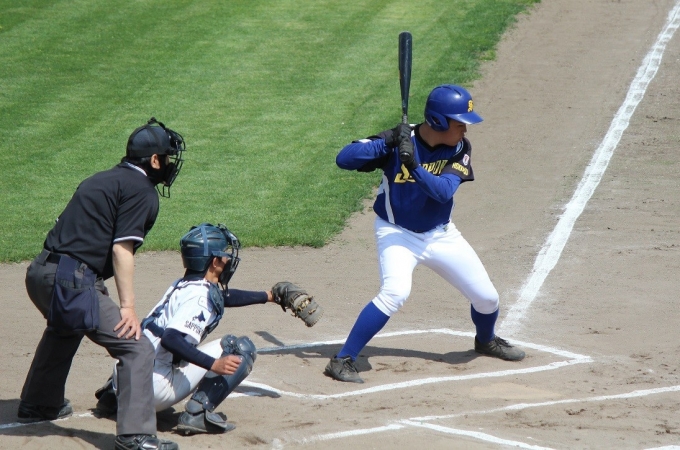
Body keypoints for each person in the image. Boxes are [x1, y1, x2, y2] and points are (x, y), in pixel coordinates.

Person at [325, 84, 526, 384]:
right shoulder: (398, 141)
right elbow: (344, 158)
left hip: (441, 235)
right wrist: (389, 142)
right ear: (439, 121)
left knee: (487, 298)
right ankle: (343, 359)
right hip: (397, 234)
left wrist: (414, 166)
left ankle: (486, 340)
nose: (465, 130)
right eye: (460, 123)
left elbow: (443, 192)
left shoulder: (459, 148)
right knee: (395, 292)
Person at [19, 117, 185, 450]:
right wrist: (128, 308)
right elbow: (122, 249)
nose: (169, 163)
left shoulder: (102, 178)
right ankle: (135, 436)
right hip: (70, 281)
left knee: (66, 325)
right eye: (167, 157)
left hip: (39, 273)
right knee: (137, 347)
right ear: (154, 160)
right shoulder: (142, 191)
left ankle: (39, 403)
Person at [94, 223, 289, 435]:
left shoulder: (182, 284)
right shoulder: (199, 297)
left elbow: (222, 297)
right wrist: (213, 364)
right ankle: (197, 415)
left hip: (126, 376)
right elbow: (171, 338)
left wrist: (269, 296)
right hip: (153, 390)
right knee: (240, 348)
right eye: (225, 255)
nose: (228, 260)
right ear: (214, 261)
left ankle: (111, 396)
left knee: (152, 341)